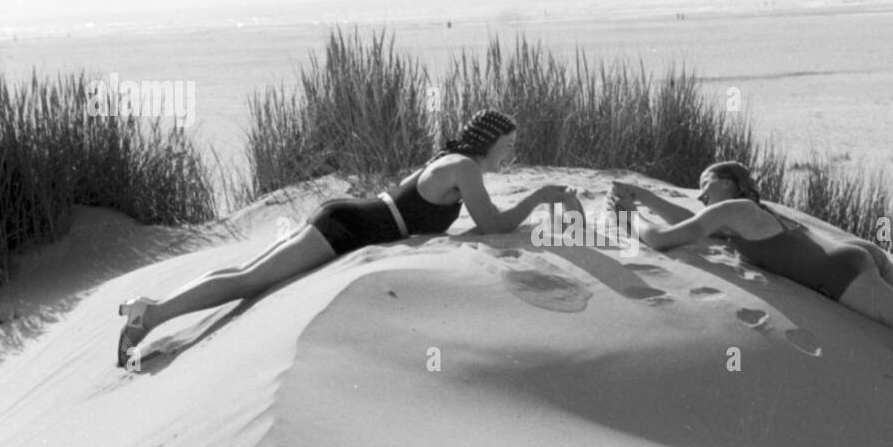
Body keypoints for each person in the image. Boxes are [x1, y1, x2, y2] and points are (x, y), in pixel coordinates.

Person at [608, 161, 893, 422]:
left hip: (841, 277)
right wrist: (643, 199)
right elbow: (690, 221)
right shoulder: (748, 212)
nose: (699, 195)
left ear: (727, 183)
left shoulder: (728, 209)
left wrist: (628, 219)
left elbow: (666, 240)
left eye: (704, 186)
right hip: (856, 253)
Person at [115, 109, 583, 367]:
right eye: (509, 146)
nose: (513, 154)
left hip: (347, 218)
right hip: (350, 227)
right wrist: (542, 195)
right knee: (249, 281)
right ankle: (152, 312)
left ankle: (149, 310)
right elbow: (493, 227)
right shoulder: (462, 168)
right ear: (489, 142)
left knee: (247, 274)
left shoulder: (452, 162)